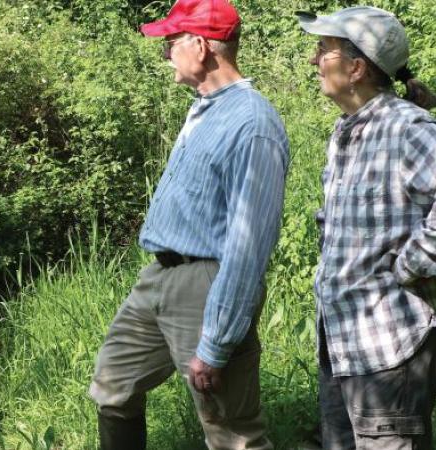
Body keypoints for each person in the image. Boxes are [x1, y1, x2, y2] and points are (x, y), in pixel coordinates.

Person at [87, 0, 290, 448]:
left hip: (205, 285)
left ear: (200, 46)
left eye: (172, 42)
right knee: (113, 387)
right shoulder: (205, 108)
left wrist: (217, 341)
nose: (166, 53)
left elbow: (248, 247)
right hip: (158, 277)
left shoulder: (252, 123)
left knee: (232, 432)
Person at [297, 7, 436, 449]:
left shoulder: (403, 127)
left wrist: (415, 263)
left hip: (390, 341)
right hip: (346, 340)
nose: (313, 59)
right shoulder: (348, 131)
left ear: (355, 68)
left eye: (323, 49)